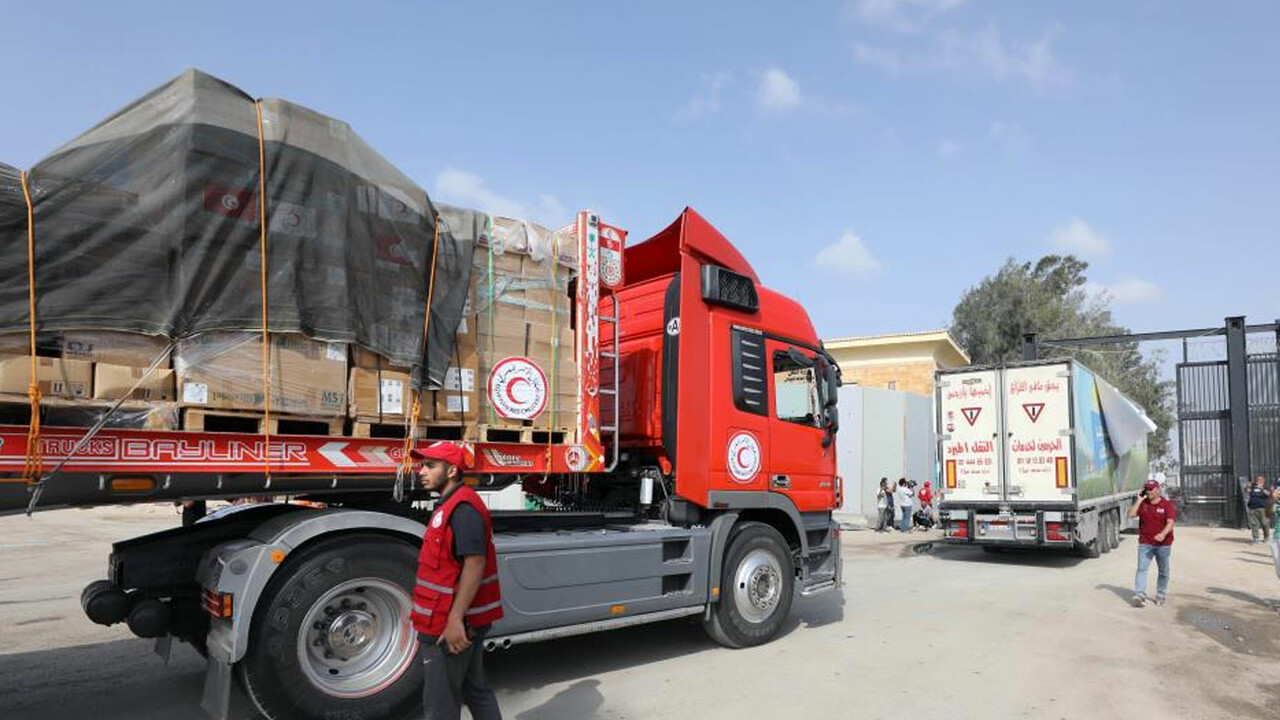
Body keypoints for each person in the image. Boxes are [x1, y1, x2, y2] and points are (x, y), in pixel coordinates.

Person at [410, 442, 503, 720]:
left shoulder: (462, 510)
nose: (421, 471)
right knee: (475, 689)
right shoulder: (451, 504)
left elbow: (475, 565)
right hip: (449, 617)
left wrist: (455, 621)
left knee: (440, 704)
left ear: (451, 470)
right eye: (421, 465)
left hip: (449, 623)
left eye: (430, 465)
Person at [1128, 479, 1177, 607]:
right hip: (1145, 543)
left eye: (1151, 489)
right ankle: (1139, 594)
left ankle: (1160, 595)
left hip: (1163, 544)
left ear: (1157, 489)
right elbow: (1131, 515)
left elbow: (1170, 522)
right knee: (1142, 569)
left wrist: (1163, 534)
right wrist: (1138, 500)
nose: (1148, 491)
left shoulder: (1167, 505)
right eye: (1146, 489)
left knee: (1163, 572)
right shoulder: (1143, 504)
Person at [1245, 475, 1272, 544]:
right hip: (1252, 508)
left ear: (1263, 481)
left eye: (1260, 480)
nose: (1258, 481)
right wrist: (1247, 486)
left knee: (1265, 523)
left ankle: (1266, 537)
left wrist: (1262, 489)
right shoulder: (1253, 487)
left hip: (1262, 508)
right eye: (1257, 480)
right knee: (1254, 524)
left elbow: (1269, 494)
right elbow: (1247, 491)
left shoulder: (1266, 487)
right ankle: (1256, 538)